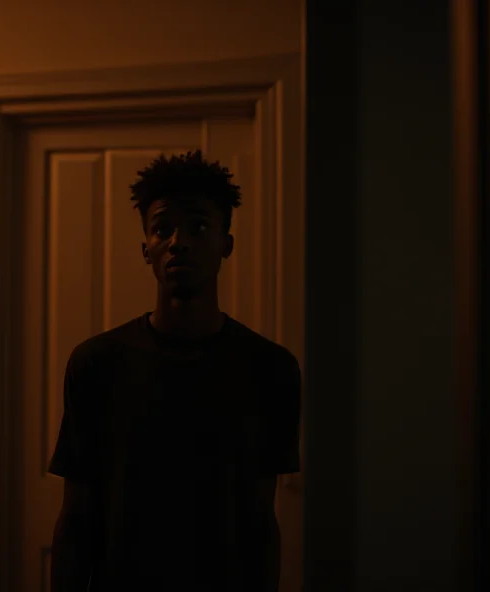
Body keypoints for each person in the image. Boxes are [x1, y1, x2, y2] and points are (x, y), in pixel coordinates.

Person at [48, 150, 301, 592]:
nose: (178, 241)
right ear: (146, 248)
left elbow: (262, 517)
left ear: (226, 243)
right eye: (162, 228)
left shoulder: (270, 368)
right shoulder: (97, 363)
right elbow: (76, 515)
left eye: (198, 226)